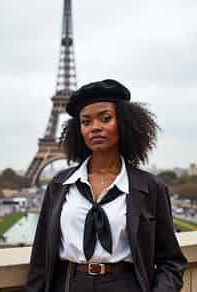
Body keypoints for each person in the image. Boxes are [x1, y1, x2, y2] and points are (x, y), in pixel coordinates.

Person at [26, 79, 187, 292]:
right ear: (78, 130)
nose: (95, 128)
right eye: (86, 122)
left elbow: (171, 260)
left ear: (124, 122)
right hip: (68, 284)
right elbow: (40, 258)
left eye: (105, 118)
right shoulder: (59, 185)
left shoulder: (151, 187)